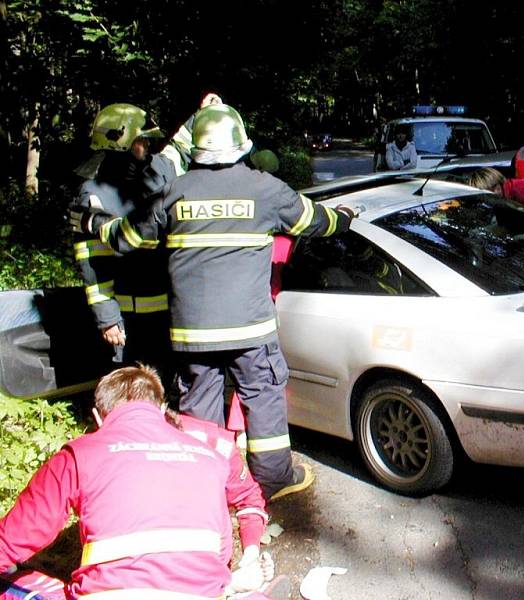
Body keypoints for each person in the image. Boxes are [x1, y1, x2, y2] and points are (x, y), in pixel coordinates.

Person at [70, 104, 355, 501]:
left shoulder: (174, 192)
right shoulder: (265, 189)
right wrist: (345, 217)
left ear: (197, 150)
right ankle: (273, 481)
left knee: (199, 410)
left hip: (193, 335)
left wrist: (90, 223)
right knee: (263, 400)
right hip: (251, 331)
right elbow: (316, 221)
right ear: (241, 145)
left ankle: (202, 487)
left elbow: (127, 239)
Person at [0, 365, 283, 600]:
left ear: (99, 417)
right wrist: (248, 556)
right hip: (203, 593)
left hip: (109, 594)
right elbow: (245, 504)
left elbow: (11, 541)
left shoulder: (80, 454)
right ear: (161, 408)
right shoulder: (212, 448)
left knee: (16, 582)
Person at [72, 103, 172, 374]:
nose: (147, 147)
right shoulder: (93, 193)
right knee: (129, 388)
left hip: (166, 310)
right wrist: (107, 317)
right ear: (120, 143)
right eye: (141, 141)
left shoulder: (157, 173)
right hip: (127, 315)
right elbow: (90, 261)